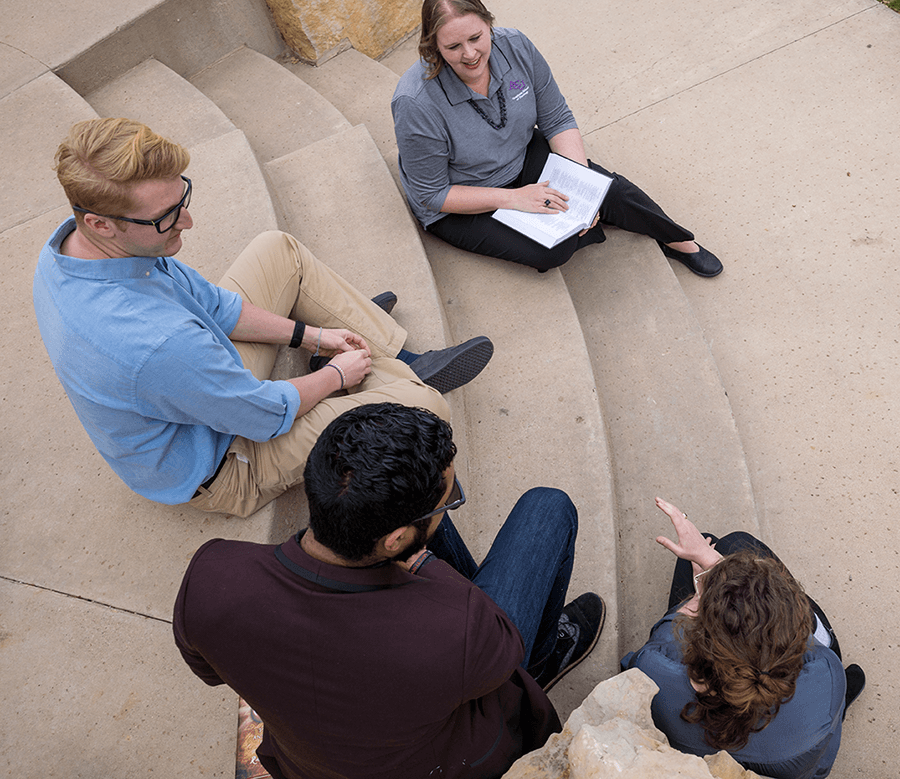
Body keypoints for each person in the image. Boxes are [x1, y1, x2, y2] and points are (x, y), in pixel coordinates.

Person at [33, 118, 494, 517]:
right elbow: (262, 415)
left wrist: (314, 337)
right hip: (224, 462)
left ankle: (393, 361)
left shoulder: (70, 250)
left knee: (279, 250)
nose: (188, 221)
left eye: (183, 198)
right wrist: (335, 374)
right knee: (427, 404)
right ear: (100, 223)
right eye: (166, 217)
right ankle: (396, 380)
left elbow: (213, 304)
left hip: (202, 386)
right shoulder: (153, 342)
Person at [174, 403, 606, 779]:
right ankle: (545, 657)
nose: (453, 499)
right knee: (547, 507)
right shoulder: (460, 628)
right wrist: (428, 565)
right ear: (395, 543)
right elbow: (501, 648)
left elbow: (211, 671)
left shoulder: (211, 576)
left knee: (420, 512)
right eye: (451, 498)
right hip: (448, 761)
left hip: (308, 764)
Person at [392, 0, 722, 276]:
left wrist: (582, 191)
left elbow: (557, 118)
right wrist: (514, 199)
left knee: (611, 192)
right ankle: (578, 223)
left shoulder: (517, 45)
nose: (470, 54)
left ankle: (677, 240)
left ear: (489, 24)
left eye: (477, 38)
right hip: (462, 197)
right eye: (452, 47)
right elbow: (431, 194)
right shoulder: (415, 103)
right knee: (555, 249)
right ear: (433, 46)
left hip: (520, 155)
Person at [621, 497, 865, 779]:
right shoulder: (827, 676)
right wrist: (716, 571)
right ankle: (838, 712)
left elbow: (659, 641)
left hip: (693, 753)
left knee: (727, 545)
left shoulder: (652, 671)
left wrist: (703, 585)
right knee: (739, 545)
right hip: (805, 740)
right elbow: (808, 645)